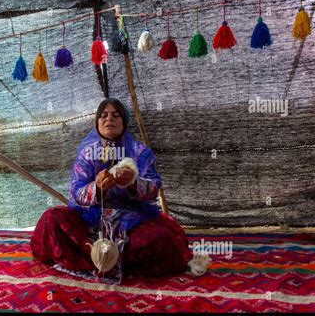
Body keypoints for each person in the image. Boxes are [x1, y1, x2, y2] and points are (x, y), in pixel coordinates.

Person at [31, 98, 210, 284]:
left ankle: (106, 258)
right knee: (51, 219)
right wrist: (97, 188)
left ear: (124, 123)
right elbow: (77, 191)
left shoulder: (139, 152)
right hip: (91, 222)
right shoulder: (88, 154)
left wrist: (133, 183)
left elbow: (153, 187)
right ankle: (102, 257)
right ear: (97, 123)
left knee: (160, 238)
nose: (109, 119)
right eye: (104, 116)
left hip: (132, 221)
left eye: (116, 116)